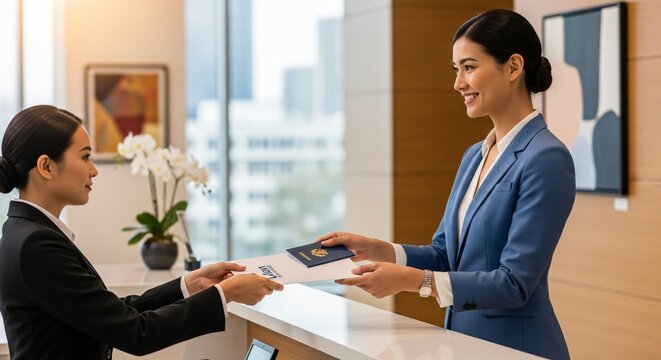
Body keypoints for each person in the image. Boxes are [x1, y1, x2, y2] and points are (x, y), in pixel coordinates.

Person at [318, 9, 575, 359]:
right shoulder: (475, 156)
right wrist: (379, 249)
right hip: (465, 345)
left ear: (514, 67)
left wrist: (411, 281)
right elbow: (445, 254)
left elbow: (515, 283)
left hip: (517, 349)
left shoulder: (546, 158)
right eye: (457, 70)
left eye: (469, 67)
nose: (458, 83)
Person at [0, 105, 284, 359]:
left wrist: (190, 286)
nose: (94, 170)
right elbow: (136, 332)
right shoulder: (37, 244)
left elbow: (112, 313)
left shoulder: (23, 232)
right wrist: (225, 293)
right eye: (85, 157)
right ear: (46, 166)